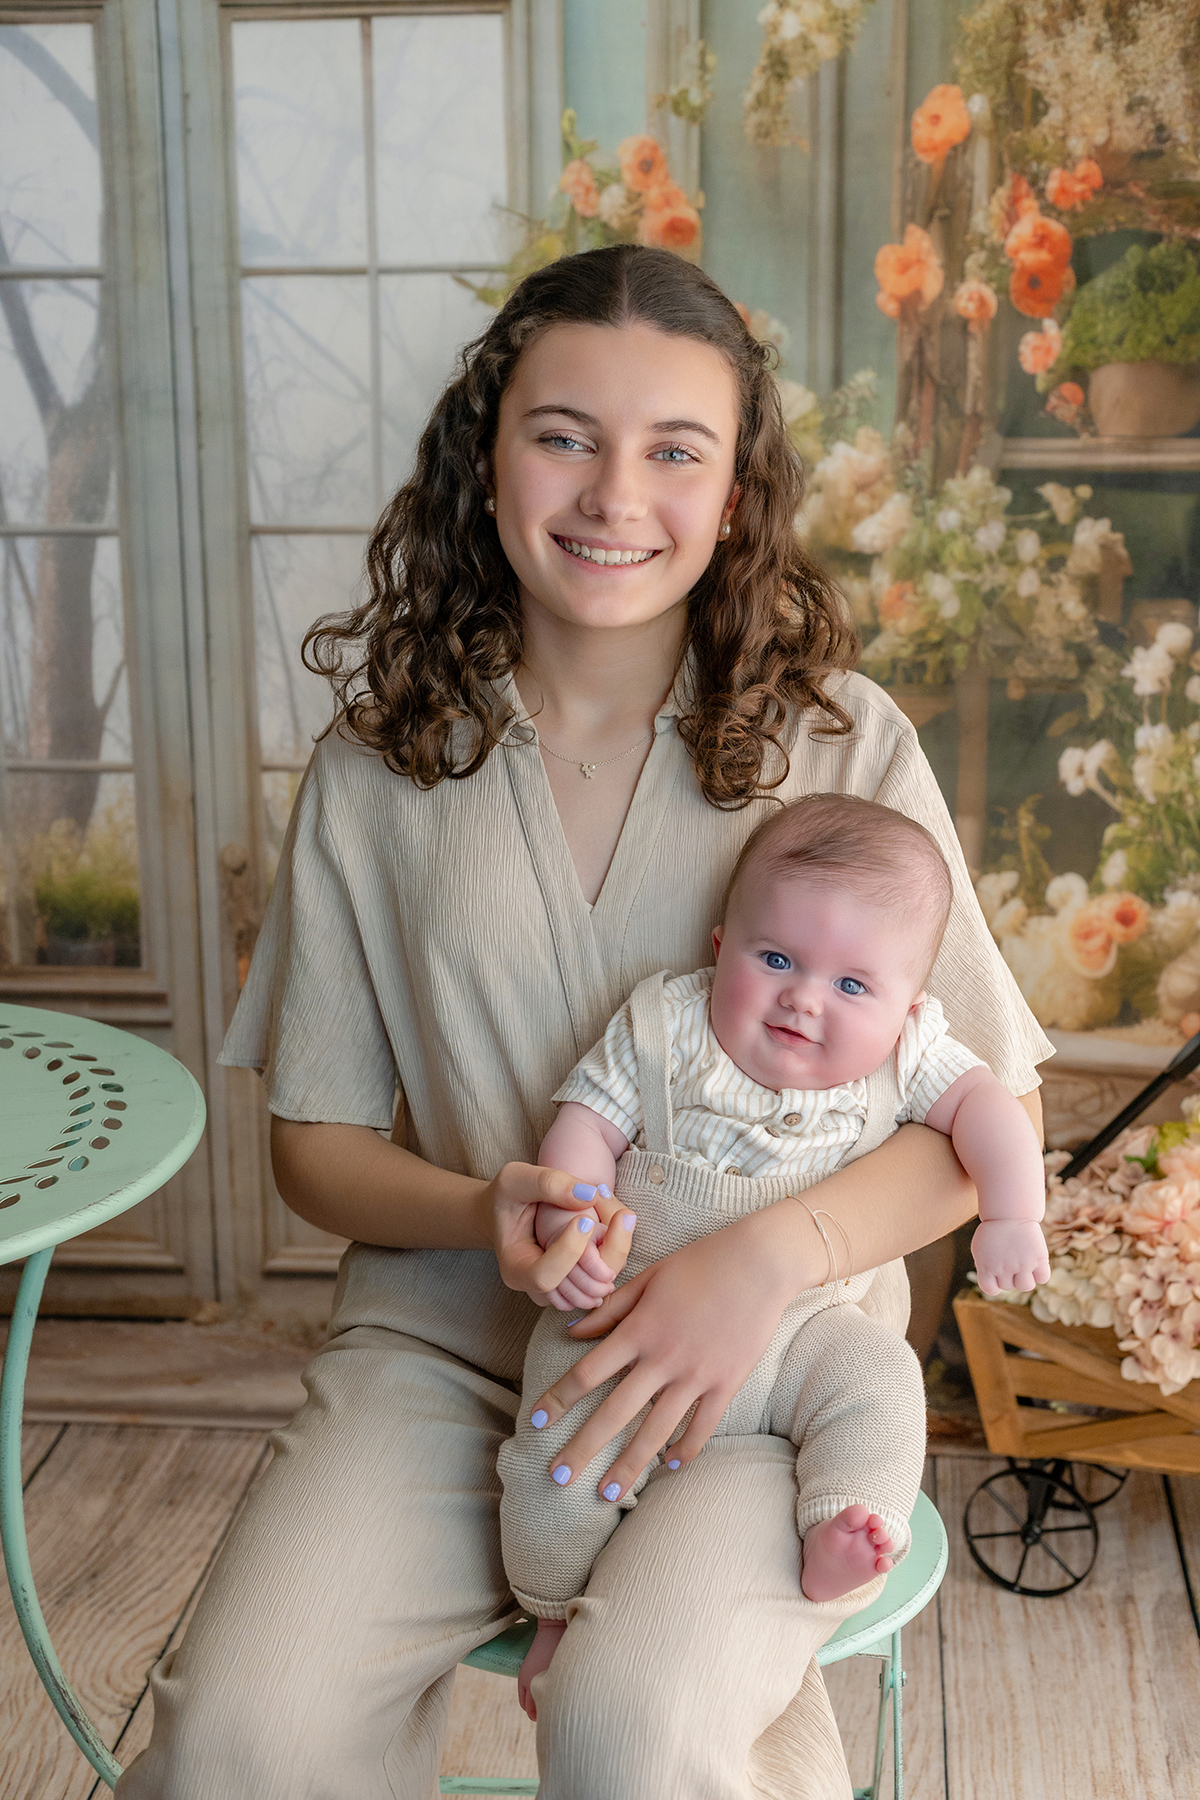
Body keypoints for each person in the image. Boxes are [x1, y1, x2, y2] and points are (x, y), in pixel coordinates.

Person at [114, 244, 1052, 1800]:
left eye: (676, 450)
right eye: (564, 434)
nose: (618, 494)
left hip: (768, 1386)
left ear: (736, 493)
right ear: (484, 460)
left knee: (638, 1733)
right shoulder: (380, 768)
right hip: (451, 1359)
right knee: (239, 1744)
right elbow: (316, 1147)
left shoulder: (844, 747)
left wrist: (763, 1264)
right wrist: (485, 1209)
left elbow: (978, 1119)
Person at [502, 793, 1050, 1717]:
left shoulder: (909, 1055)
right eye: (777, 958)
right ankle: (552, 1608)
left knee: (881, 1379)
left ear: (909, 1004)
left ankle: (838, 1530)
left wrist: (1011, 1215)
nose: (804, 997)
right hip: (634, 1319)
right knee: (556, 1445)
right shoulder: (667, 1027)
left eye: (851, 986)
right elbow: (584, 1125)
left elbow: (994, 1111)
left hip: (802, 1336)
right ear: (722, 943)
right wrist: (575, 1223)